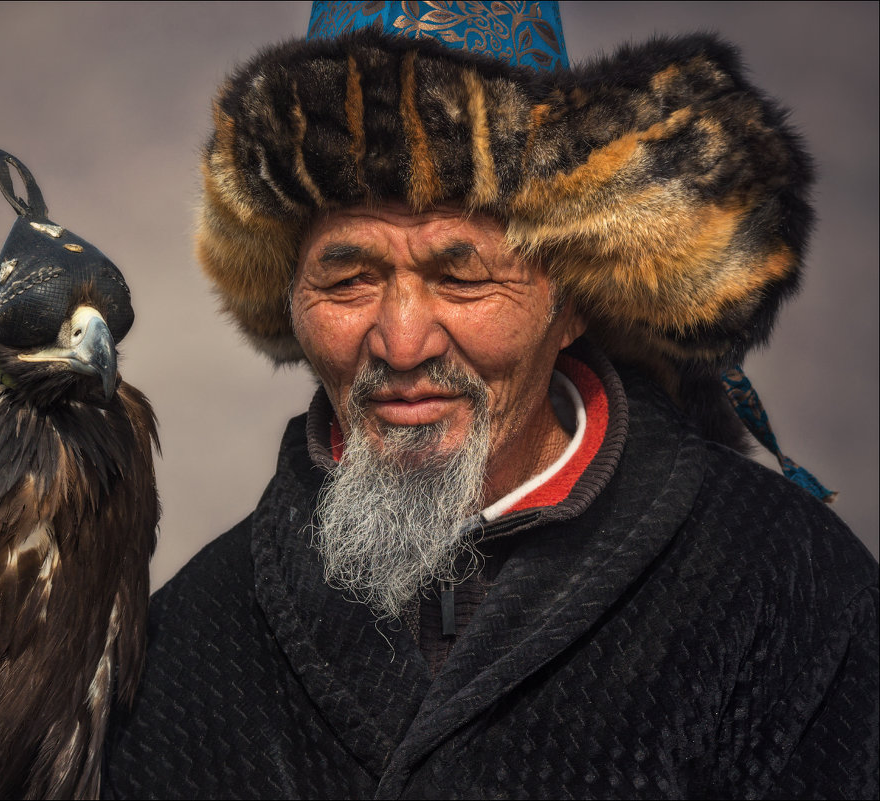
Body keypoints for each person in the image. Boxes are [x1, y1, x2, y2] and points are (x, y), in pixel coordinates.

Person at [104, 3, 879, 798]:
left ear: (573, 298)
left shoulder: (790, 593)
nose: (403, 344)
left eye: (463, 276)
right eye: (349, 279)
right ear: (291, 299)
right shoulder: (186, 647)